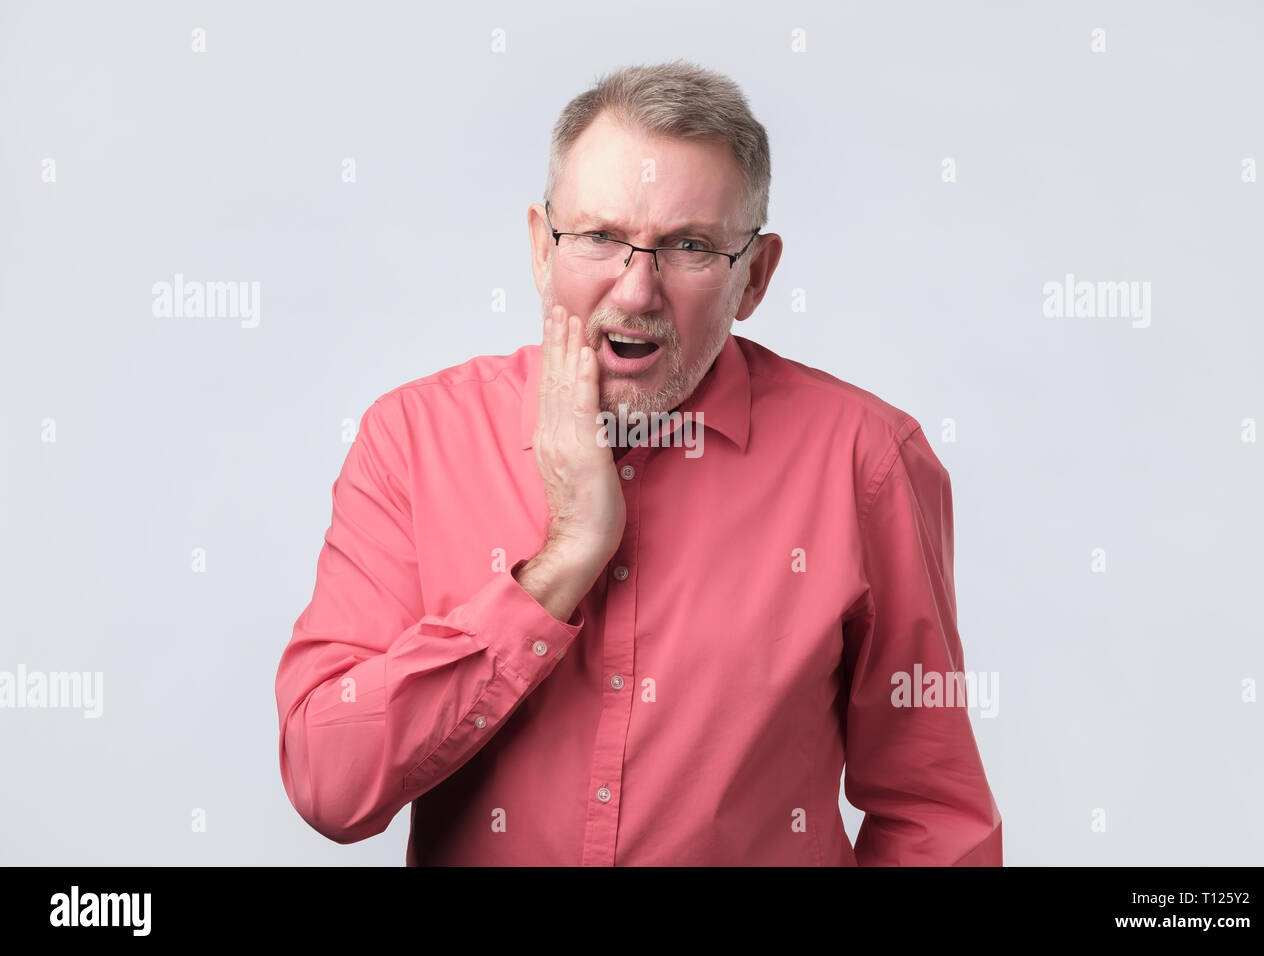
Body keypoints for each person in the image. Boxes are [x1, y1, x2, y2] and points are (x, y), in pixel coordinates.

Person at [275, 59, 1002, 866]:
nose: (635, 292)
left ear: (754, 277)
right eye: (598, 238)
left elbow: (936, 817)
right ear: (538, 246)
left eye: (688, 246)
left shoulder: (866, 461)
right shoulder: (413, 440)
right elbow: (329, 785)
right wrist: (563, 562)